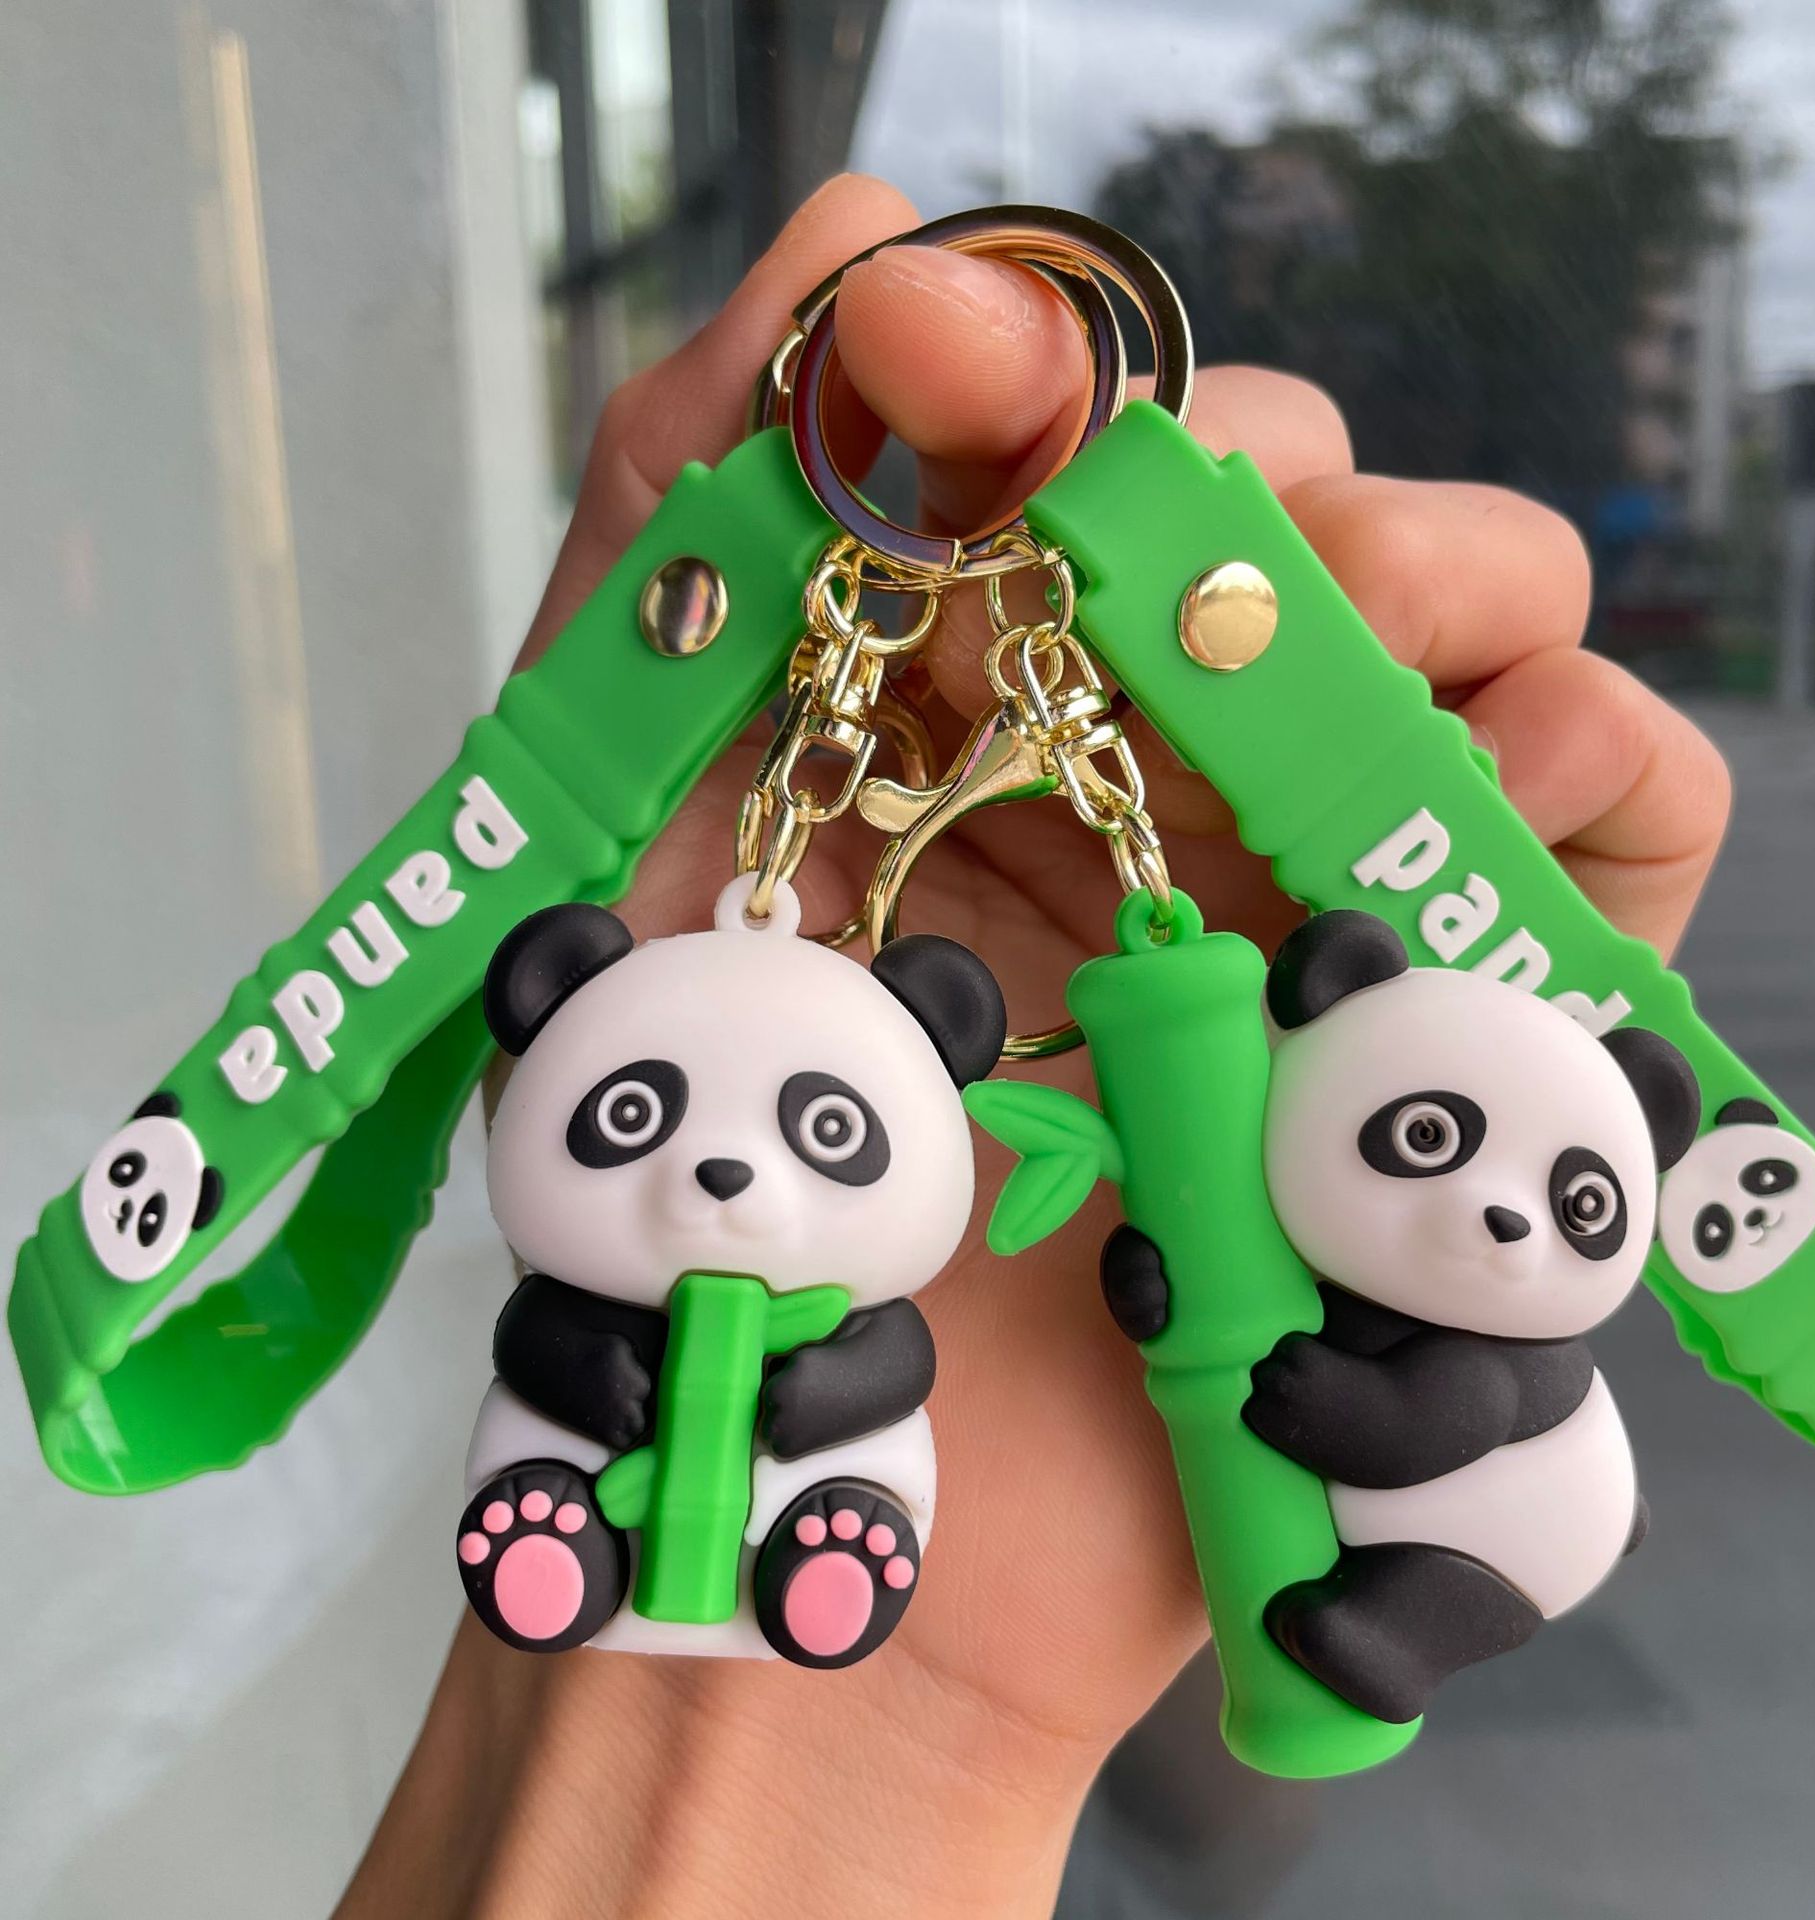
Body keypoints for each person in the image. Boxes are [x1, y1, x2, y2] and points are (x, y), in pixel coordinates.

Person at [335, 173, 1730, 1920]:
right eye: (630, 1113)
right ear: (548, 998)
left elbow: (1378, 1404)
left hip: (1440, 1527)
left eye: (823, 1136)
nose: (723, 1176)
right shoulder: (723, 1005)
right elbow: (563, 1334)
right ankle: (635, 1552)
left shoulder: (1269, 1202)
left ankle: (841, 1563)